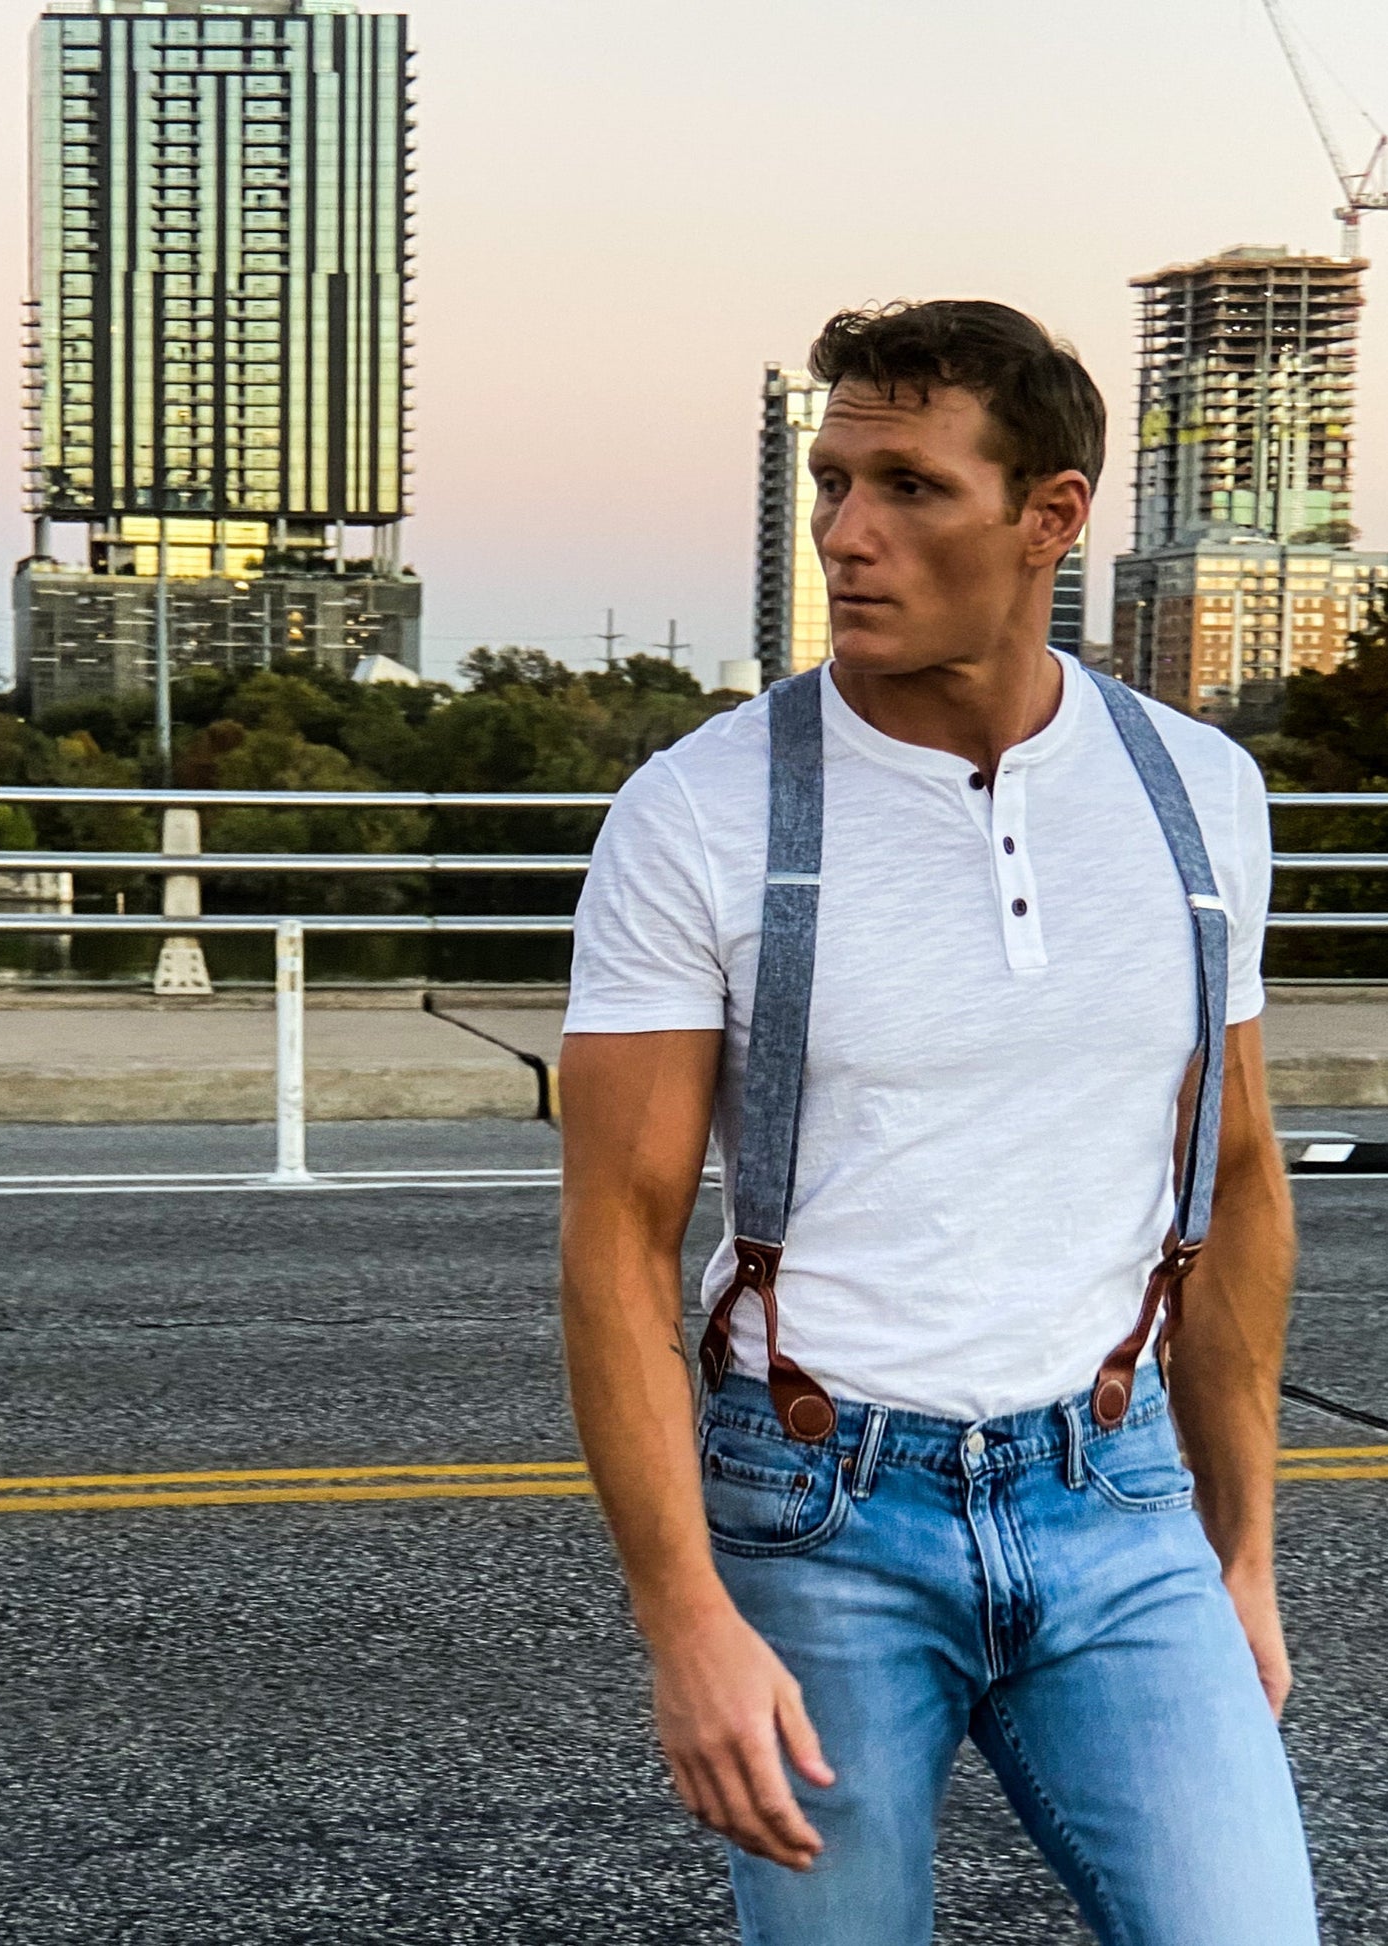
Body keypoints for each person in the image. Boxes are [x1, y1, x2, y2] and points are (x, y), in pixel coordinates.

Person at [558, 300, 1317, 1944]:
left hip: (1115, 1496)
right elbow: (615, 1239)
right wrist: (681, 1613)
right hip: (820, 1498)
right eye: (830, 482)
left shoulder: (1200, 793)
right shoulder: (697, 810)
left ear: (1049, 516)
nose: (845, 532)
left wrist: (1241, 1548)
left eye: (907, 485)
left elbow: (1235, 1173)